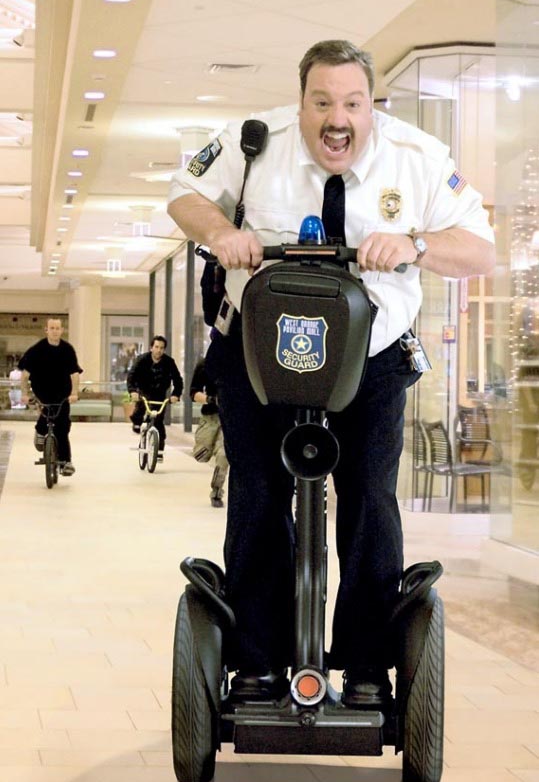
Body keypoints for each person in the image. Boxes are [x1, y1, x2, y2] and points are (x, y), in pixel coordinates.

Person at [167, 39, 495, 706]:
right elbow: (185, 195)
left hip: (370, 357)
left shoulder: (417, 157)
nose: (336, 119)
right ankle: (257, 660)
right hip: (261, 352)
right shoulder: (254, 143)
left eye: (351, 103)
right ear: (301, 103)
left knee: (369, 499)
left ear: (371, 105)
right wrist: (221, 233)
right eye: (321, 103)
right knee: (258, 494)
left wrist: (415, 244)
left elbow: (479, 249)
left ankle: (368, 667)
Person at [18, 317, 82, 476]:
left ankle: (66, 462)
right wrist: (24, 394)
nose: (55, 331)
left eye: (57, 328)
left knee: (62, 428)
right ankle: (40, 432)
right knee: (45, 417)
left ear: (62, 330)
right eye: (52, 328)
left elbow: (75, 374)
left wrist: (74, 393)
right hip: (43, 393)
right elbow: (25, 375)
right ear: (46, 330)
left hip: (62, 395)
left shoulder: (67, 349)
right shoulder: (37, 349)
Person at [127, 335, 183, 458]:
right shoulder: (142, 360)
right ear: (151, 348)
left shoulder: (169, 362)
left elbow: (178, 380)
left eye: (161, 348)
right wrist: (132, 391)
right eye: (156, 347)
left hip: (160, 394)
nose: (159, 350)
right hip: (144, 390)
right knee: (140, 408)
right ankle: (137, 424)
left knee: (158, 421)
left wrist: (176, 395)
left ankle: (159, 450)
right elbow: (131, 376)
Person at [190, 354, 229, 508]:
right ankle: (210, 449)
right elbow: (193, 393)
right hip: (210, 416)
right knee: (201, 454)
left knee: (223, 455)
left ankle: (217, 491)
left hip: (230, 418)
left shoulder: (240, 362)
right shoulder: (205, 364)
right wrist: (210, 399)